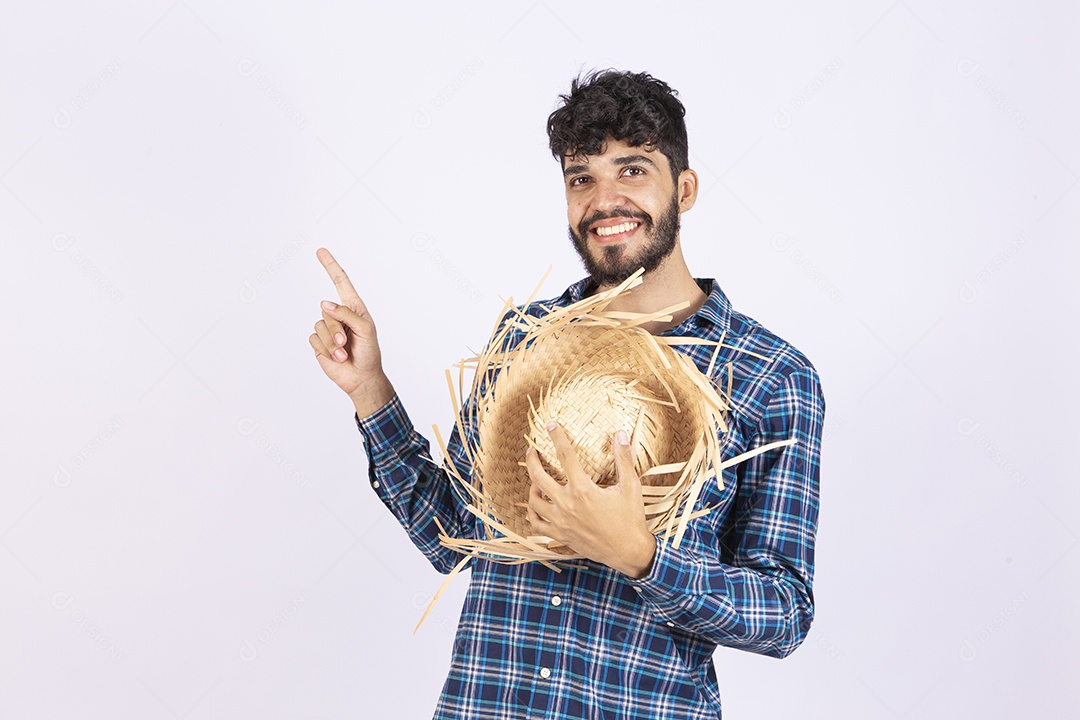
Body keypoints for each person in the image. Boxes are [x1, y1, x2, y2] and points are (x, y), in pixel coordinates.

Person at [309, 70, 825, 720]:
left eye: (632, 170)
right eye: (582, 178)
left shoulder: (770, 375)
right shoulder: (526, 339)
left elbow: (784, 613)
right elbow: (454, 536)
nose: (604, 200)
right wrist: (370, 388)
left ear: (685, 189)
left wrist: (641, 557)